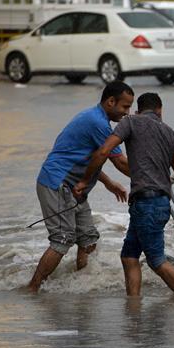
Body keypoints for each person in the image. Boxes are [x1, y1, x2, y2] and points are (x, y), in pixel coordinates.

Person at [73, 92, 174, 297]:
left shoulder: (130, 122)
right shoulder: (172, 134)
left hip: (146, 204)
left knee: (156, 261)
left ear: (137, 110)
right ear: (160, 111)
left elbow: (103, 152)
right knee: (129, 257)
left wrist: (84, 180)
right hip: (157, 202)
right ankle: (134, 305)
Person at [27, 82, 133, 293]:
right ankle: (32, 288)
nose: (127, 112)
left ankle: (79, 286)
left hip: (73, 187)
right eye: (125, 107)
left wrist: (110, 183)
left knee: (88, 239)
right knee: (62, 239)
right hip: (57, 183)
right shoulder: (98, 124)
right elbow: (119, 161)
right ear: (110, 102)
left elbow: (90, 159)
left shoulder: (95, 118)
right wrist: (153, 175)